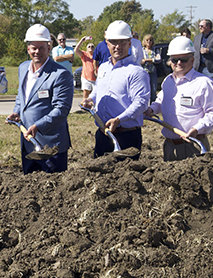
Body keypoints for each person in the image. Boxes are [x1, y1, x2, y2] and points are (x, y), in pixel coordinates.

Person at [8, 24, 73, 173]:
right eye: (33, 48)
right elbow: (22, 95)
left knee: (54, 189)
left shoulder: (60, 74)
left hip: (51, 145)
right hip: (29, 143)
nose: (37, 52)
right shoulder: (23, 68)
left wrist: (38, 126)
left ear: (49, 48)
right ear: (28, 48)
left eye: (41, 48)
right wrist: (17, 111)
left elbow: (61, 109)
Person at [145, 37, 213, 161]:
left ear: (192, 60)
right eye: (175, 60)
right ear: (170, 61)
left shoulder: (203, 83)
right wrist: (151, 110)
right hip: (170, 146)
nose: (179, 63)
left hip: (193, 146)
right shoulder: (168, 81)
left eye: (184, 59)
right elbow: (160, 100)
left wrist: (197, 128)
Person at [82, 21, 150, 160]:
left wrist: (119, 119)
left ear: (129, 43)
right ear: (107, 43)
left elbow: (141, 103)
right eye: (113, 42)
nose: (117, 46)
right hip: (103, 135)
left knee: (124, 180)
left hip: (126, 136)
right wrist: (90, 99)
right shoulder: (103, 68)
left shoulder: (136, 72)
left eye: (122, 42)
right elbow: (98, 90)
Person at [193, 19, 213, 83]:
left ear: (208, 26)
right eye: (199, 26)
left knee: (211, 89)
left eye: (202, 26)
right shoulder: (197, 38)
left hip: (210, 69)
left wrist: (209, 50)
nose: (200, 27)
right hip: (198, 68)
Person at [141, 34, 161, 102]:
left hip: (153, 72)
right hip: (144, 73)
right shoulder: (141, 50)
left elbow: (158, 59)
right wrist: (152, 59)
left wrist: (147, 60)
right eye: (147, 40)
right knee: (144, 91)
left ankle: (152, 108)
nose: (149, 42)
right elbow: (140, 60)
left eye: (150, 40)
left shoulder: (155, 50)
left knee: (153, 90)